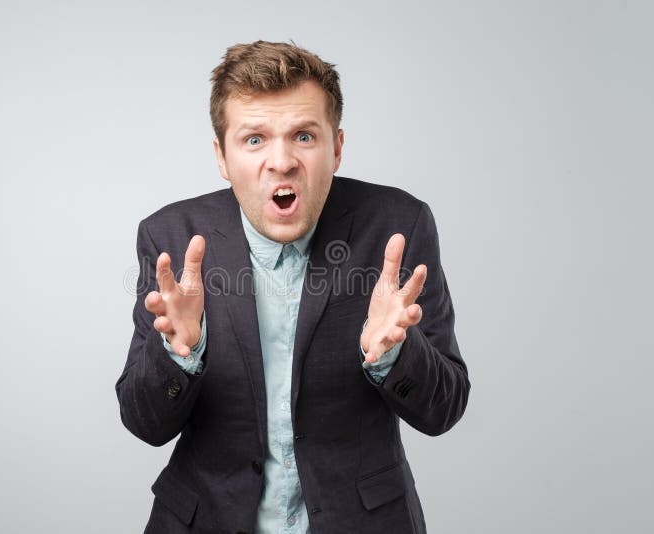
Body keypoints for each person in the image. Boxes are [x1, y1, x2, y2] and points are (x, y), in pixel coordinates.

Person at [115, 40, 470, 534]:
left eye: (304, 136)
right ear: (221, 155)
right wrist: (178, 353)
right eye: (254, 139)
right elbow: (144, 423)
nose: (281, 161)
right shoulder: (171, 238)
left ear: (337, 147)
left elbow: (445, 409)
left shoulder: (398, 226)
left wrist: (394, 354)